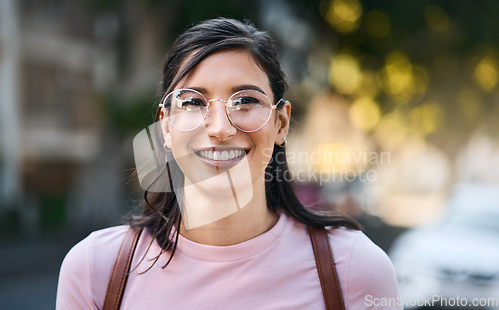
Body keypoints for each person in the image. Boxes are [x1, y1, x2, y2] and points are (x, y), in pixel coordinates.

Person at [56, 17, 401, 309]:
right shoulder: (95, 270)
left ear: (280, 123)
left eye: (246, 100)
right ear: (165, 126)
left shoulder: (354, 270)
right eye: (192, 102)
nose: (220, 128)